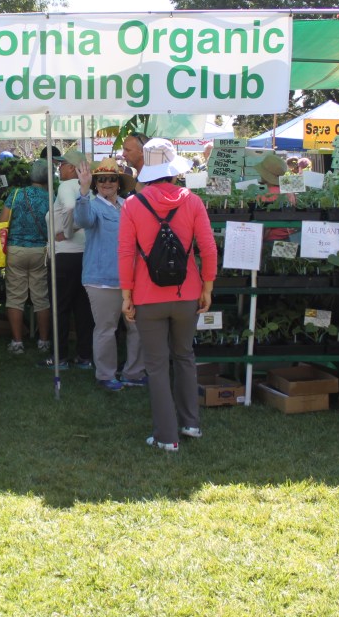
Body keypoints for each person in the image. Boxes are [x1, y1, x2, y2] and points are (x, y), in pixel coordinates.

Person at [119, 138, 217, 452]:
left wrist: (126, 295)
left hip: (147, 296)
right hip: (187, 293)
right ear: (174, 170)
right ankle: (191, 424)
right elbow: (208, 248)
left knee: (157, 365)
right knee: (185, 356)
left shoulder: (132, 204)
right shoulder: (193, 201)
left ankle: (166, 436)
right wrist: (207, 287)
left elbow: (125, 254)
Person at [75, 158, 144, 391]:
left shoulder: (129, 204)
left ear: (119, 182)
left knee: (137, 327)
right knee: (106, 328)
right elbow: (82, 220)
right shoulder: (91, 205)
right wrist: (83, 190)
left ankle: (134, 372)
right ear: (95, 183)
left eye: (112, 179)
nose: (107, 183)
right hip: (102, 279)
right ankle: (105, 375)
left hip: (132, 279)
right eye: (102, 179)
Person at [44, 148, 94, 371]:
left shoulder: (66, 186)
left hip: (64, 256)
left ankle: (60, 357)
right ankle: (84, 356)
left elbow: (71, 206)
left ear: (72, 168)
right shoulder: (89, 188)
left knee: (60, 308)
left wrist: (67, 231)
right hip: (85, 255)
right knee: (83, 309)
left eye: (61, 165)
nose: (59, 168)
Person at [0, 159, 52, 355]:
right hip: (41, 251)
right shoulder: (51, 197)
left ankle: (17, 342)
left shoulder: (16, 194)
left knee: (15, 298)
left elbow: (2, 222)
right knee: (41, 298)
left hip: (16, 250)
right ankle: (44, 341)